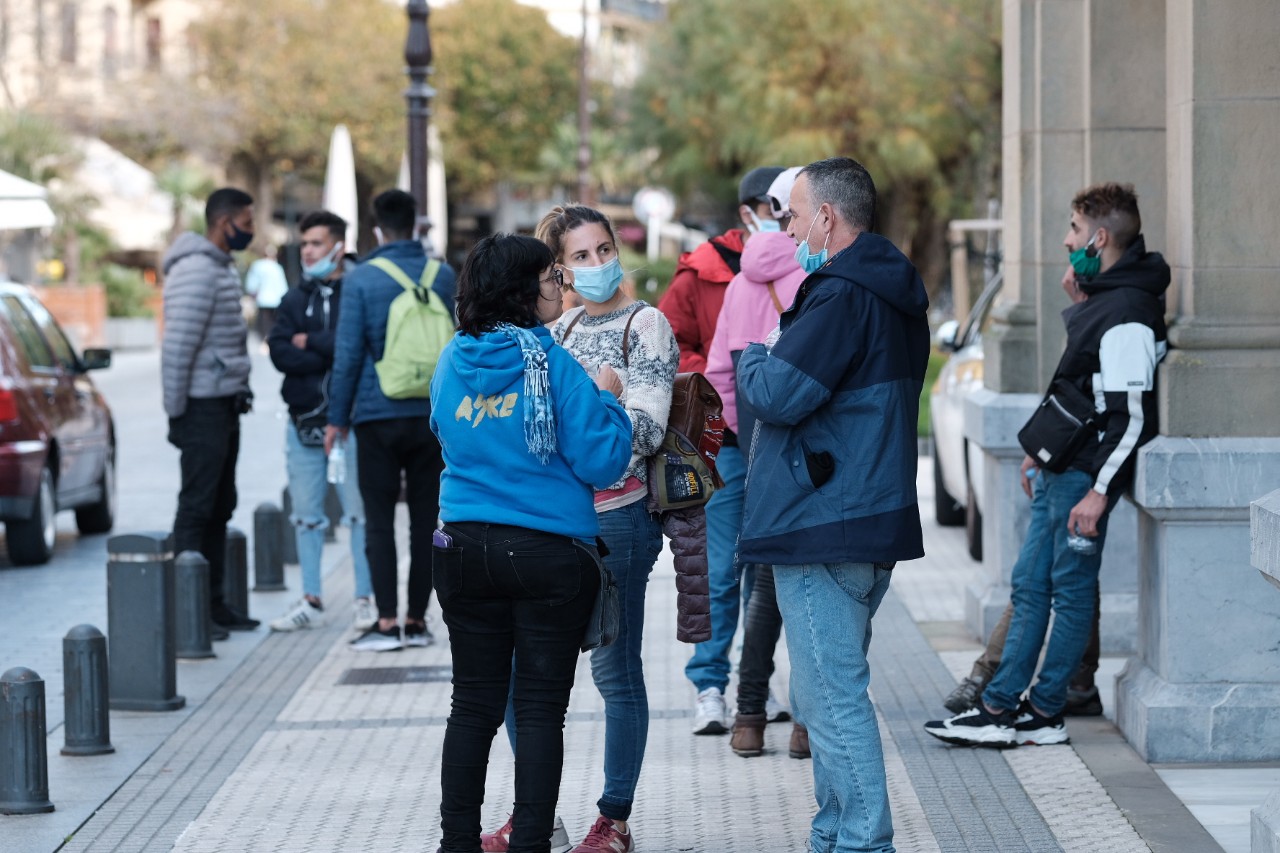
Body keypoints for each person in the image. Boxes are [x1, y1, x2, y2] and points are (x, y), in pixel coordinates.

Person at [925, 182, 1169, 749]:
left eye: (1075, 230)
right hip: (1066, 469)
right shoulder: (1109, 301)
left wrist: (1099, 493)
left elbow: (1131, 416)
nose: (1066, 240)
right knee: (1031, 586)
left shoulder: (1128, 313)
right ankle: (1005, 707)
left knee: (1065, 590)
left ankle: (1039, 710)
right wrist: (1043, 450)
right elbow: (1083, 386)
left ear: (1100, 237)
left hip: (1084, 479)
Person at [738, 157, 930, 853]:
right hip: (863, 516)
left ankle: (860, 840)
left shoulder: (842, 293)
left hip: (824, 523)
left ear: (827, 216)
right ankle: (834, 834)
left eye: (791, 215)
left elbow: (779, 392)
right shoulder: (892, 289)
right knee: (824, 695)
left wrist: (756, 353)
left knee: (832, 696)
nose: (786, 230)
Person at [430, 233, 632, 853]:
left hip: (461, 546)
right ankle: (530, 846)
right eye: (552, 277)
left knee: (473, 706)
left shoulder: (453, 358)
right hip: (547, 555)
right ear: (523, 290)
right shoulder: (556, 368)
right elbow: (604, 461)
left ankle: (456, 843)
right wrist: (608, 398)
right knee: (541, 710)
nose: (561, 286)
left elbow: (442, 430)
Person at [667, 165, 787, 735]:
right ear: (749, 212)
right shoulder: (701, 273)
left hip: (779, 438)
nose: (781, 220)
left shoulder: (802, 271)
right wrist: (719, 390)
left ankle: (752, 686)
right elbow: (675, 348)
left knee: (766, 571)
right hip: (726, 439)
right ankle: (709, 683)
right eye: (773, 208)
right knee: (721, 568)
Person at [704, 166, 809, 757]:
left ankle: (747, 715)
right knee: (809, 583)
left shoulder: (743, 281)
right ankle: (803, 722)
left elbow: (720, 370)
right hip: (804, 449)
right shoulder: (820, 276)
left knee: (759, 580)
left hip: (746, 446)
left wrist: (743, 440)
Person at [326, 189, 458, 652]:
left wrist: (336, 419)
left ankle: (385, 622)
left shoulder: (361, 280)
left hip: (376, 416)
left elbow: (346, 357)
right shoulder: (441, 275)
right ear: (415, 226)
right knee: (426, 520)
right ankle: (419, 620)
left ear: (377, 228)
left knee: (378, 522)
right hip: (430, 417)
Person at [266, 210, 375, 634]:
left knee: (358, 516)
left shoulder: (359, 290)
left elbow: (362, 348)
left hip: (350, 424)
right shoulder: (295, 298)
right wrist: (330, 350)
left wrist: (308, 341)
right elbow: (278, 351)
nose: (307, 250)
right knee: (306, 515)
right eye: (305, 243)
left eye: (314, 243)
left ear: (337, 246)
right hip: (303, 423)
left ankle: (365, 599)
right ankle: (310, 598)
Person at [161, 186, 260, 639]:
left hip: (223, 403)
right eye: (247, 221)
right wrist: (176, 413)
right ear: (225, 223)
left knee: (221, 504)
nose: (251, 230)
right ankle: (190, 613)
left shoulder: (219, 267)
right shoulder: (197, 271)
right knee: (197, 507)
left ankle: (215, 605)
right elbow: (177, 347)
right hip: (200, 407)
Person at [244, 244, 289, 340]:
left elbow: (252, 285)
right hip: (276, 300)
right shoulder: (277, 267)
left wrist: (252, 296)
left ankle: (266, 340)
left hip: (264, 299)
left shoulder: (258, 265)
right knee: (274, 322)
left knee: (265, 323)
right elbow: (283, 286)